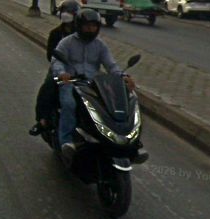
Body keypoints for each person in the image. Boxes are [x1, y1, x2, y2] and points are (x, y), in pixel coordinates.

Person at [51, 8, 136, 161]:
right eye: (87, 26)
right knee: (69, 104)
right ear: (79, 26)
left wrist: (123, 76)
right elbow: (56, 60)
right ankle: (66, 142)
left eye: (93, 26)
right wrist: (62, 73)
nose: (90, 29)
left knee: (108, 106)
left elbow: (111, 65)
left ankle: (121, 141)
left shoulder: (100, 45)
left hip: (92, 83)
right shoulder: (67, 42)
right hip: (71, 82)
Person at [30, 0, 81, 135]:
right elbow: (50, 55)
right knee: (48, 87)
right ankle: (42, 120)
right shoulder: (55, 33)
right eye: (64, 12)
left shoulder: (82, 34)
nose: (66, 15)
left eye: (69, 13)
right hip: (60, 69)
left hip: (80, 70)